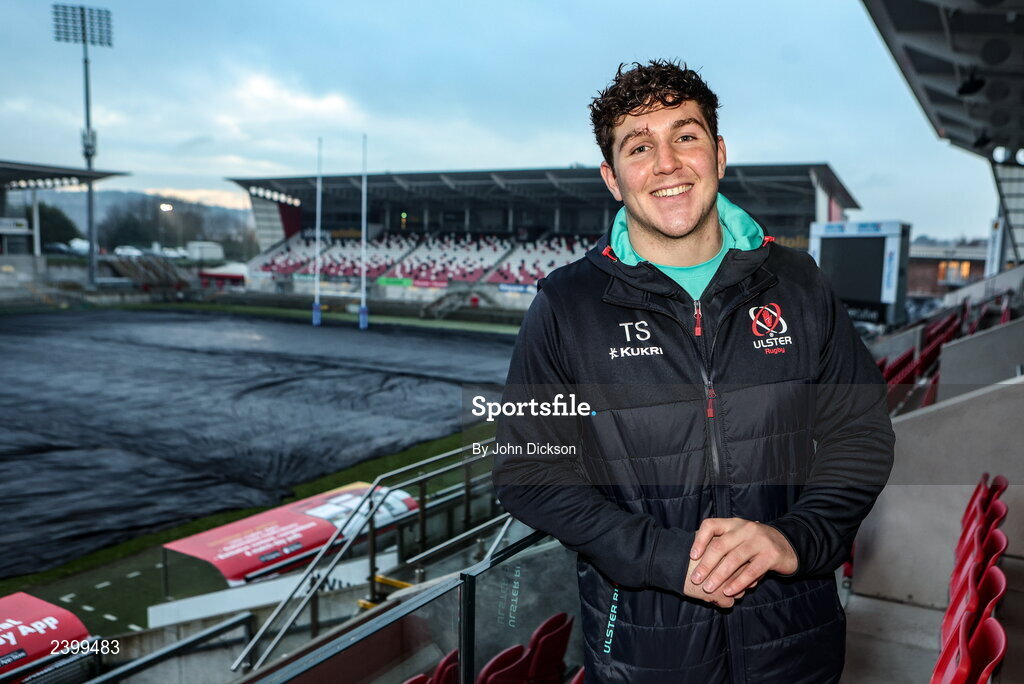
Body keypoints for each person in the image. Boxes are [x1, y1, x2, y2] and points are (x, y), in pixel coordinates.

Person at [491, 60, 895, 684]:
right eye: (638, 146)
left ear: (719, 153)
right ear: (612, 177)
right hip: (641, 656)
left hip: (797, 643)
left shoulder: (800, 283)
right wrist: (660, 556)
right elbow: (527, 472)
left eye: (685, 136)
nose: (667, 164)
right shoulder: (565, 306)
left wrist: (795, 538)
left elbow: (860, 433)